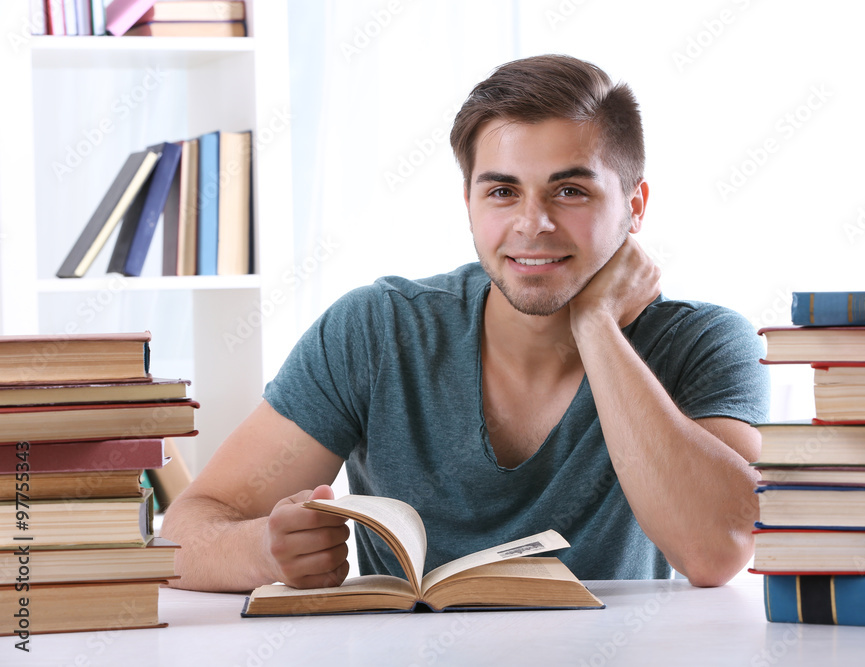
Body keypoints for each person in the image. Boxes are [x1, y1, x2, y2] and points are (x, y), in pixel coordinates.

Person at [161, 54, 769, 592]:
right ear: (469, 203)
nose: (533, 224)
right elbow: (183, 537)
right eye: (503, 192)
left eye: (570, 192)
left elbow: (716, 552)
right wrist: (264, 549)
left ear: (634, 207)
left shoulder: (705, 343)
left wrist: (597, 326)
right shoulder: (377, 331)